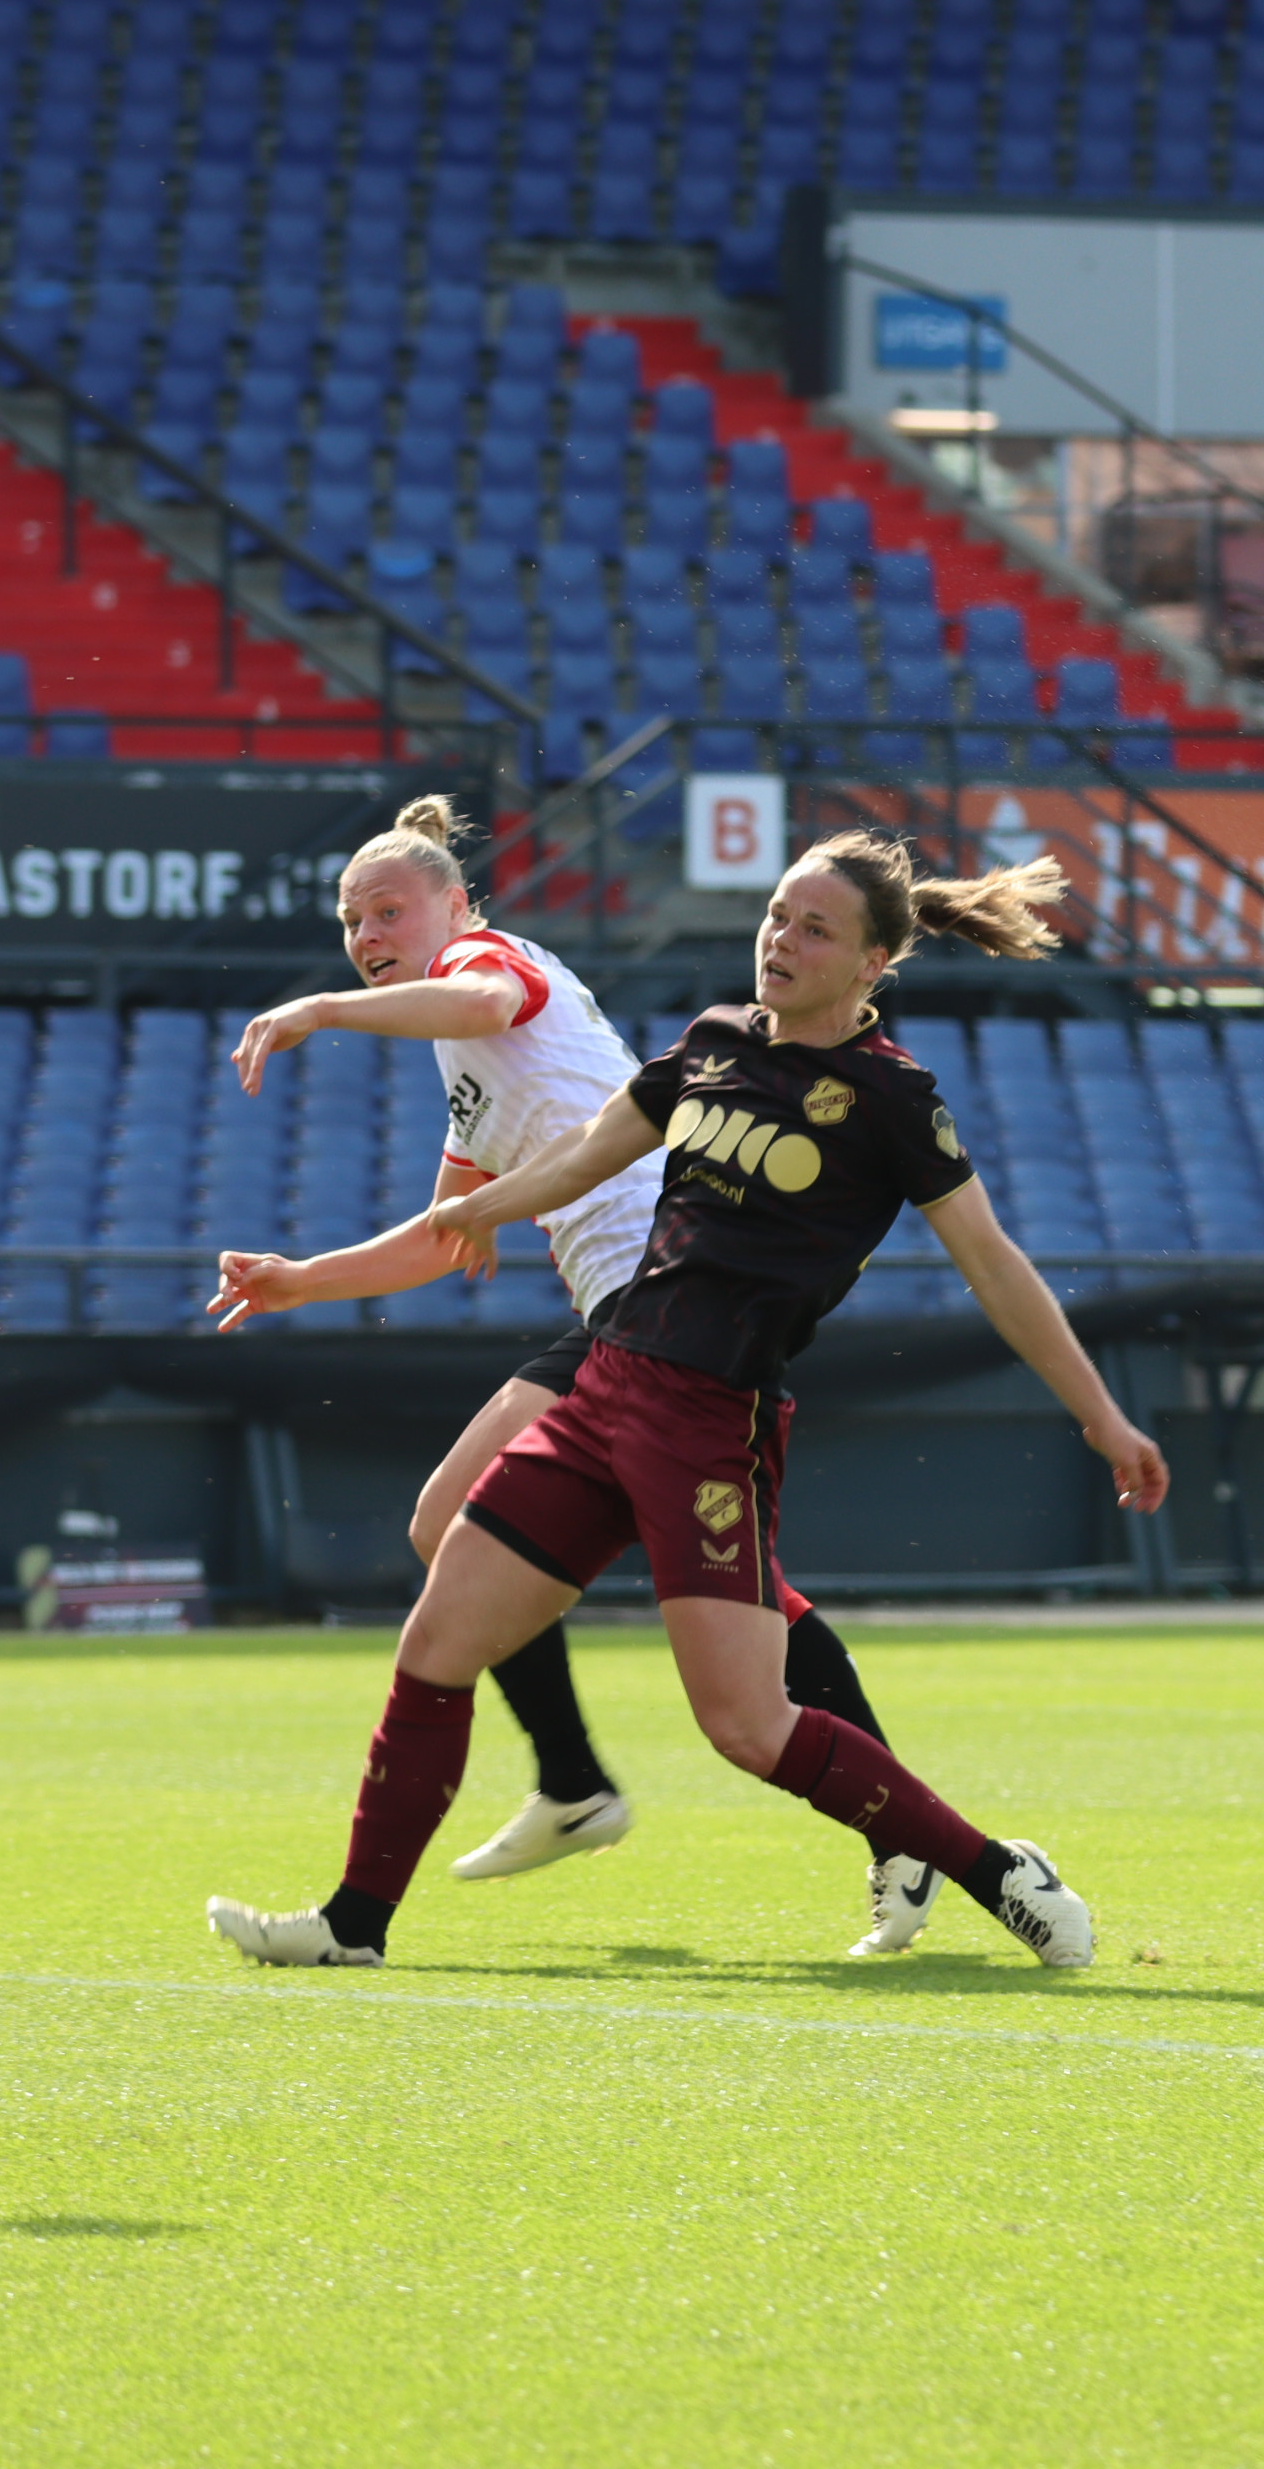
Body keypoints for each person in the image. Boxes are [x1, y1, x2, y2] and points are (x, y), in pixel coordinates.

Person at [207, 832, 1169, 1971]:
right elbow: (580, 1153)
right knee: (439, 1632)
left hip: (713, 1413)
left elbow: (997, 1267)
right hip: (607, 1376)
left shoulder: (893, 1096)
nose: (782, 939)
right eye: (775, 915)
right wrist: (463, 1217)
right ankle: (354, 1923)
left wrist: (1103, 1417)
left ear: (871, 963)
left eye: (815, 927)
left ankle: (994, 1870)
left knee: (746, 1727)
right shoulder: (712, 1040)